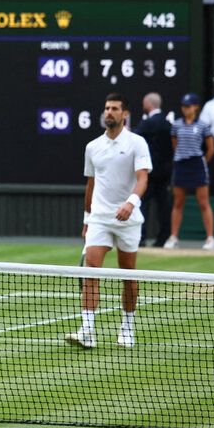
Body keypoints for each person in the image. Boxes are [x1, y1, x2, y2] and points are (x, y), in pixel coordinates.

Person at [66, 93, 151, 349]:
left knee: (128, 276)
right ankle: (88, 331)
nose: (109, 112)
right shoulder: (92, 147)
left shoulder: (137, 143)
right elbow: (90, 185)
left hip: (129, 219)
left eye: (114, 108)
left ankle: (127, 328)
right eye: (106, 108)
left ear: (124, 114)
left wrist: (130, 203)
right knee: (91, 273)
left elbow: (143, 178)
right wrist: (87, 219)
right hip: (100, 219)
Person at [164, 93, 214, 251]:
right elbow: (175, 145)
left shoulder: (203, 126)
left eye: (188, 106)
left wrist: (201, 163)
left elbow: (211, 149)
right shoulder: (176, 125)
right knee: (178, 202)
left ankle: (210, 238)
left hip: (197, 165)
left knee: (203, 203)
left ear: (195, 107)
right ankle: (173, 237)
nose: (185, 109)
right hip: (181, 165)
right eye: (183, 106)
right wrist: (182, 157)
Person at [133, 92, 171, 247]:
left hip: (149, 172)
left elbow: (133, 137)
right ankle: (163, 238)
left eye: (144, 104)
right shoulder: (168, 124)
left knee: (143, 205)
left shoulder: (147, 123)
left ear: (148, 104)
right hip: (166, 172)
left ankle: (140, 237)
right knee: (163, 207)